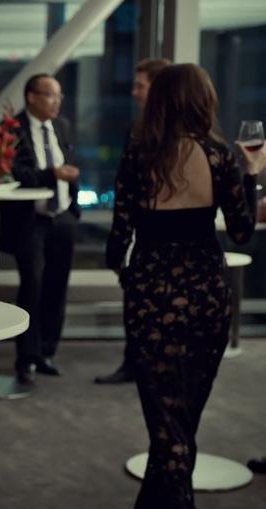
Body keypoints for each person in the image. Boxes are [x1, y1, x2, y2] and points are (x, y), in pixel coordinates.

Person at [106, 63, 264, 509]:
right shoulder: (219, 155)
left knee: (166, 418)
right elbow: (241, 231)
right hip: (206, 292)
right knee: (183, 415)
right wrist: (253, 172)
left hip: (152, 291)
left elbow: (119, 238)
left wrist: (129, 275)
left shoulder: (138, 153)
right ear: (202, 101)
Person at [95, 57, 171, 385]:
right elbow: (124, 193)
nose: (133, 91)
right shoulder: (138, 130)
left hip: (166, 238)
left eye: (140, 85)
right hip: (144, 236)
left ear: (159, 88)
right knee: (136, 300)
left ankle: (149, 367)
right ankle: (134, 364)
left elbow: (127, 195)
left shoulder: (172, 135)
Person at [3, 73, 80, 386]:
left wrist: (73, 210)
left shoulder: (62, 127)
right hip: (30, 221)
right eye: (50, 95)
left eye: (59, 96)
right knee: (32, 286)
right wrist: (53, 174)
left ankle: (46, 352)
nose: (57, 102)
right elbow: (16, 173)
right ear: (31, 97)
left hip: (62, 218)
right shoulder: (12, 128)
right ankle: (26, 357)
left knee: (57, 287)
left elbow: (69, 167)